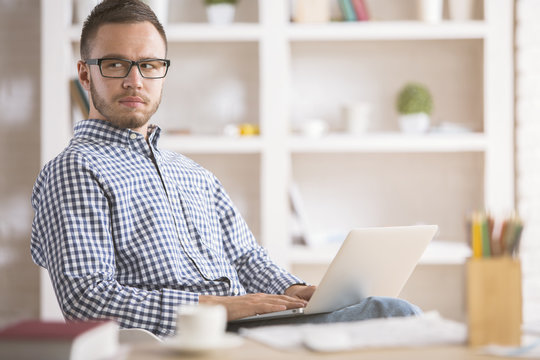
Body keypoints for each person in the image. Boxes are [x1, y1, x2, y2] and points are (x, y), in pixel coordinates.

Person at [31, 0, 420, 338]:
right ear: (85, 74)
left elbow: (247, 259)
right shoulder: (75, 169)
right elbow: (88, 299)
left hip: (247, 327)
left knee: (385, 308)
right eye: (116, 64)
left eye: (149, 65)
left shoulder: (193, 174)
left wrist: (295, 290)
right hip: (191, 337)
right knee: (392, 316)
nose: (135, 81)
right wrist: (214, 306)